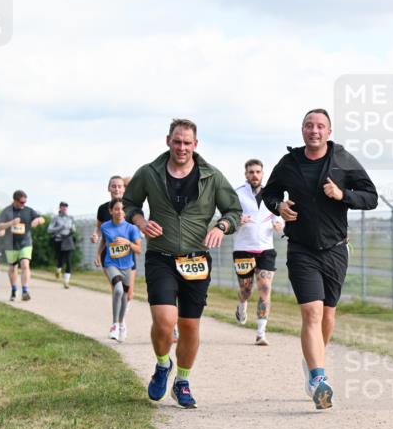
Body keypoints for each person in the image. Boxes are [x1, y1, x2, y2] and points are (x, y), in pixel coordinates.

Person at [261, 108, 378, 409]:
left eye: (320, 126)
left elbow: (371, 197)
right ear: (302, 130)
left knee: (327, 316)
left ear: (329, 131)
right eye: (309, 125)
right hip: (301, 248)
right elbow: (270, 192)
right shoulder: (289, 162)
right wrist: (279, 207)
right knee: (312, 313)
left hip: (336, 249)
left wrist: (343, 195)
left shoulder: (343, 160)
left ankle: (314, 364)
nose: (314, 130)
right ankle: (318, 378)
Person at [123, 118, 241, 409]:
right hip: (160, 256)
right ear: (168, 141)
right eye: (177, 141)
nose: (182, 147)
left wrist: (221, 226)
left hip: (196, 259)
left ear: (195, 145)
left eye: (187, 142)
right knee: (164, 321)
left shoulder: (211, 177)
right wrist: (140, 221)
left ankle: (183, 381)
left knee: (189, 326)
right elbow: (129, 204)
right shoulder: (150, 173)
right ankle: (163, 365)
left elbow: (234, 210)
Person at [233, 158, 284, 346]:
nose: (254, 175)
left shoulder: (272, 195)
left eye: (258, 172)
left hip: (266, 249)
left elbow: (279, 216)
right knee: (246, 290)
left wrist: (280, 224)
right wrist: (237, 220)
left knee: (265, 289)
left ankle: (261, 333)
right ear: (246, 174)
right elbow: (228, 216)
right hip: (243, 249)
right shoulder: (237, 194)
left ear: (263, 174)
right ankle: (241, 305)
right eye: (251, 172)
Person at [94, 198, 143, 341]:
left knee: (125, 297)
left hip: (127, 266)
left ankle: (121, 323)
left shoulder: (131, 228)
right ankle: (114, 325)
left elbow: (139, 249)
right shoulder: (105, 227)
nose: (119, 212)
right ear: (111, 211)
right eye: (116, 209)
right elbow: (104, 241)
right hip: (111, 264)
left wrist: (128, 243)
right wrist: (98, 255)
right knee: (118, 290)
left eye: (122, 209)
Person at [0, 190, 45, 301]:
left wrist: (37, 220)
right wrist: (11, 223)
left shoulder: (28, 211)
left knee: (25, 264)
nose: (24, 204)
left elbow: (42, 218)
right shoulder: (6, 211)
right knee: (13, 268)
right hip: (11, 244)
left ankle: (25, 291)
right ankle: (14, 290)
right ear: (15, 201)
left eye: (25, 202)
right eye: (21, 202)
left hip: (26, 243)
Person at [48, 201, 76, 289]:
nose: (64, 209)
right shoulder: (55, 218)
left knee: (68, 261)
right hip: (59, 240)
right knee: (60, 260)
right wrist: (60, 227)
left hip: (68, 239)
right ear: (60, 208)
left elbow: (74, 228)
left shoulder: (70, 218)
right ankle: (58, 270)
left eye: (66, 207)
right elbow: (49, 230)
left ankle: (66, 282)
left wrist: (72, 229)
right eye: (63, 207)